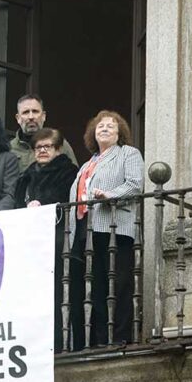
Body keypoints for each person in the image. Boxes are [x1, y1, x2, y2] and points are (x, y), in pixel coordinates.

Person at [67, 110, 143, 349]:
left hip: (116, 227)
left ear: (120, 133)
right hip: (88, 229)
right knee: (97, 286)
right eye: (100, 126)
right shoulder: (88, 163)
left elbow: (135, 184)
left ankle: (121, 336)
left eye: (111, 126)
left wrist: (109, 195)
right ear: (93, 133)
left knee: (119, 283)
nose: (105, 129)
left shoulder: (128, 153)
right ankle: (101, 339)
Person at [14, 127, 78, 353]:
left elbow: (65, 196)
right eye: (38, 147)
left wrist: (42, 203)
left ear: (58, 149)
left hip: (57, 238)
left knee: (57, 293)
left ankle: (58, 344)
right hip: (30, 242)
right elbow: (16, 202)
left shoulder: (69, 171)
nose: (42, 151)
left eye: (47, 146)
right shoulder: (27, 175)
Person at [10, 94, 77, 171]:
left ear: (43, 116)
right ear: (18, 118)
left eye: (35, 111)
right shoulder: (9, 149)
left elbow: (74, 177)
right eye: (26, 112)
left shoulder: (59, 143)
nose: (31, 117)